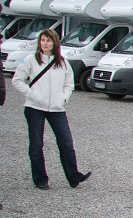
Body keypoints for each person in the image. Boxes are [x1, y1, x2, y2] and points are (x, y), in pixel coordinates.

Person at [12, 28, 91, 190]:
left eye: (48, 40)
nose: (45, 43)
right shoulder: (30, 60)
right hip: (35, 107)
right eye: (42, 40)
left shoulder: (62, 62)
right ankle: (40, 178)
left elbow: (69, 84)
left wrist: (63, 98)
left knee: (66, 142)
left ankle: (73, 176)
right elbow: (17, 80)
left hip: (56, 108)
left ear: (55, 42)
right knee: (36, 144)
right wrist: (32, 94)